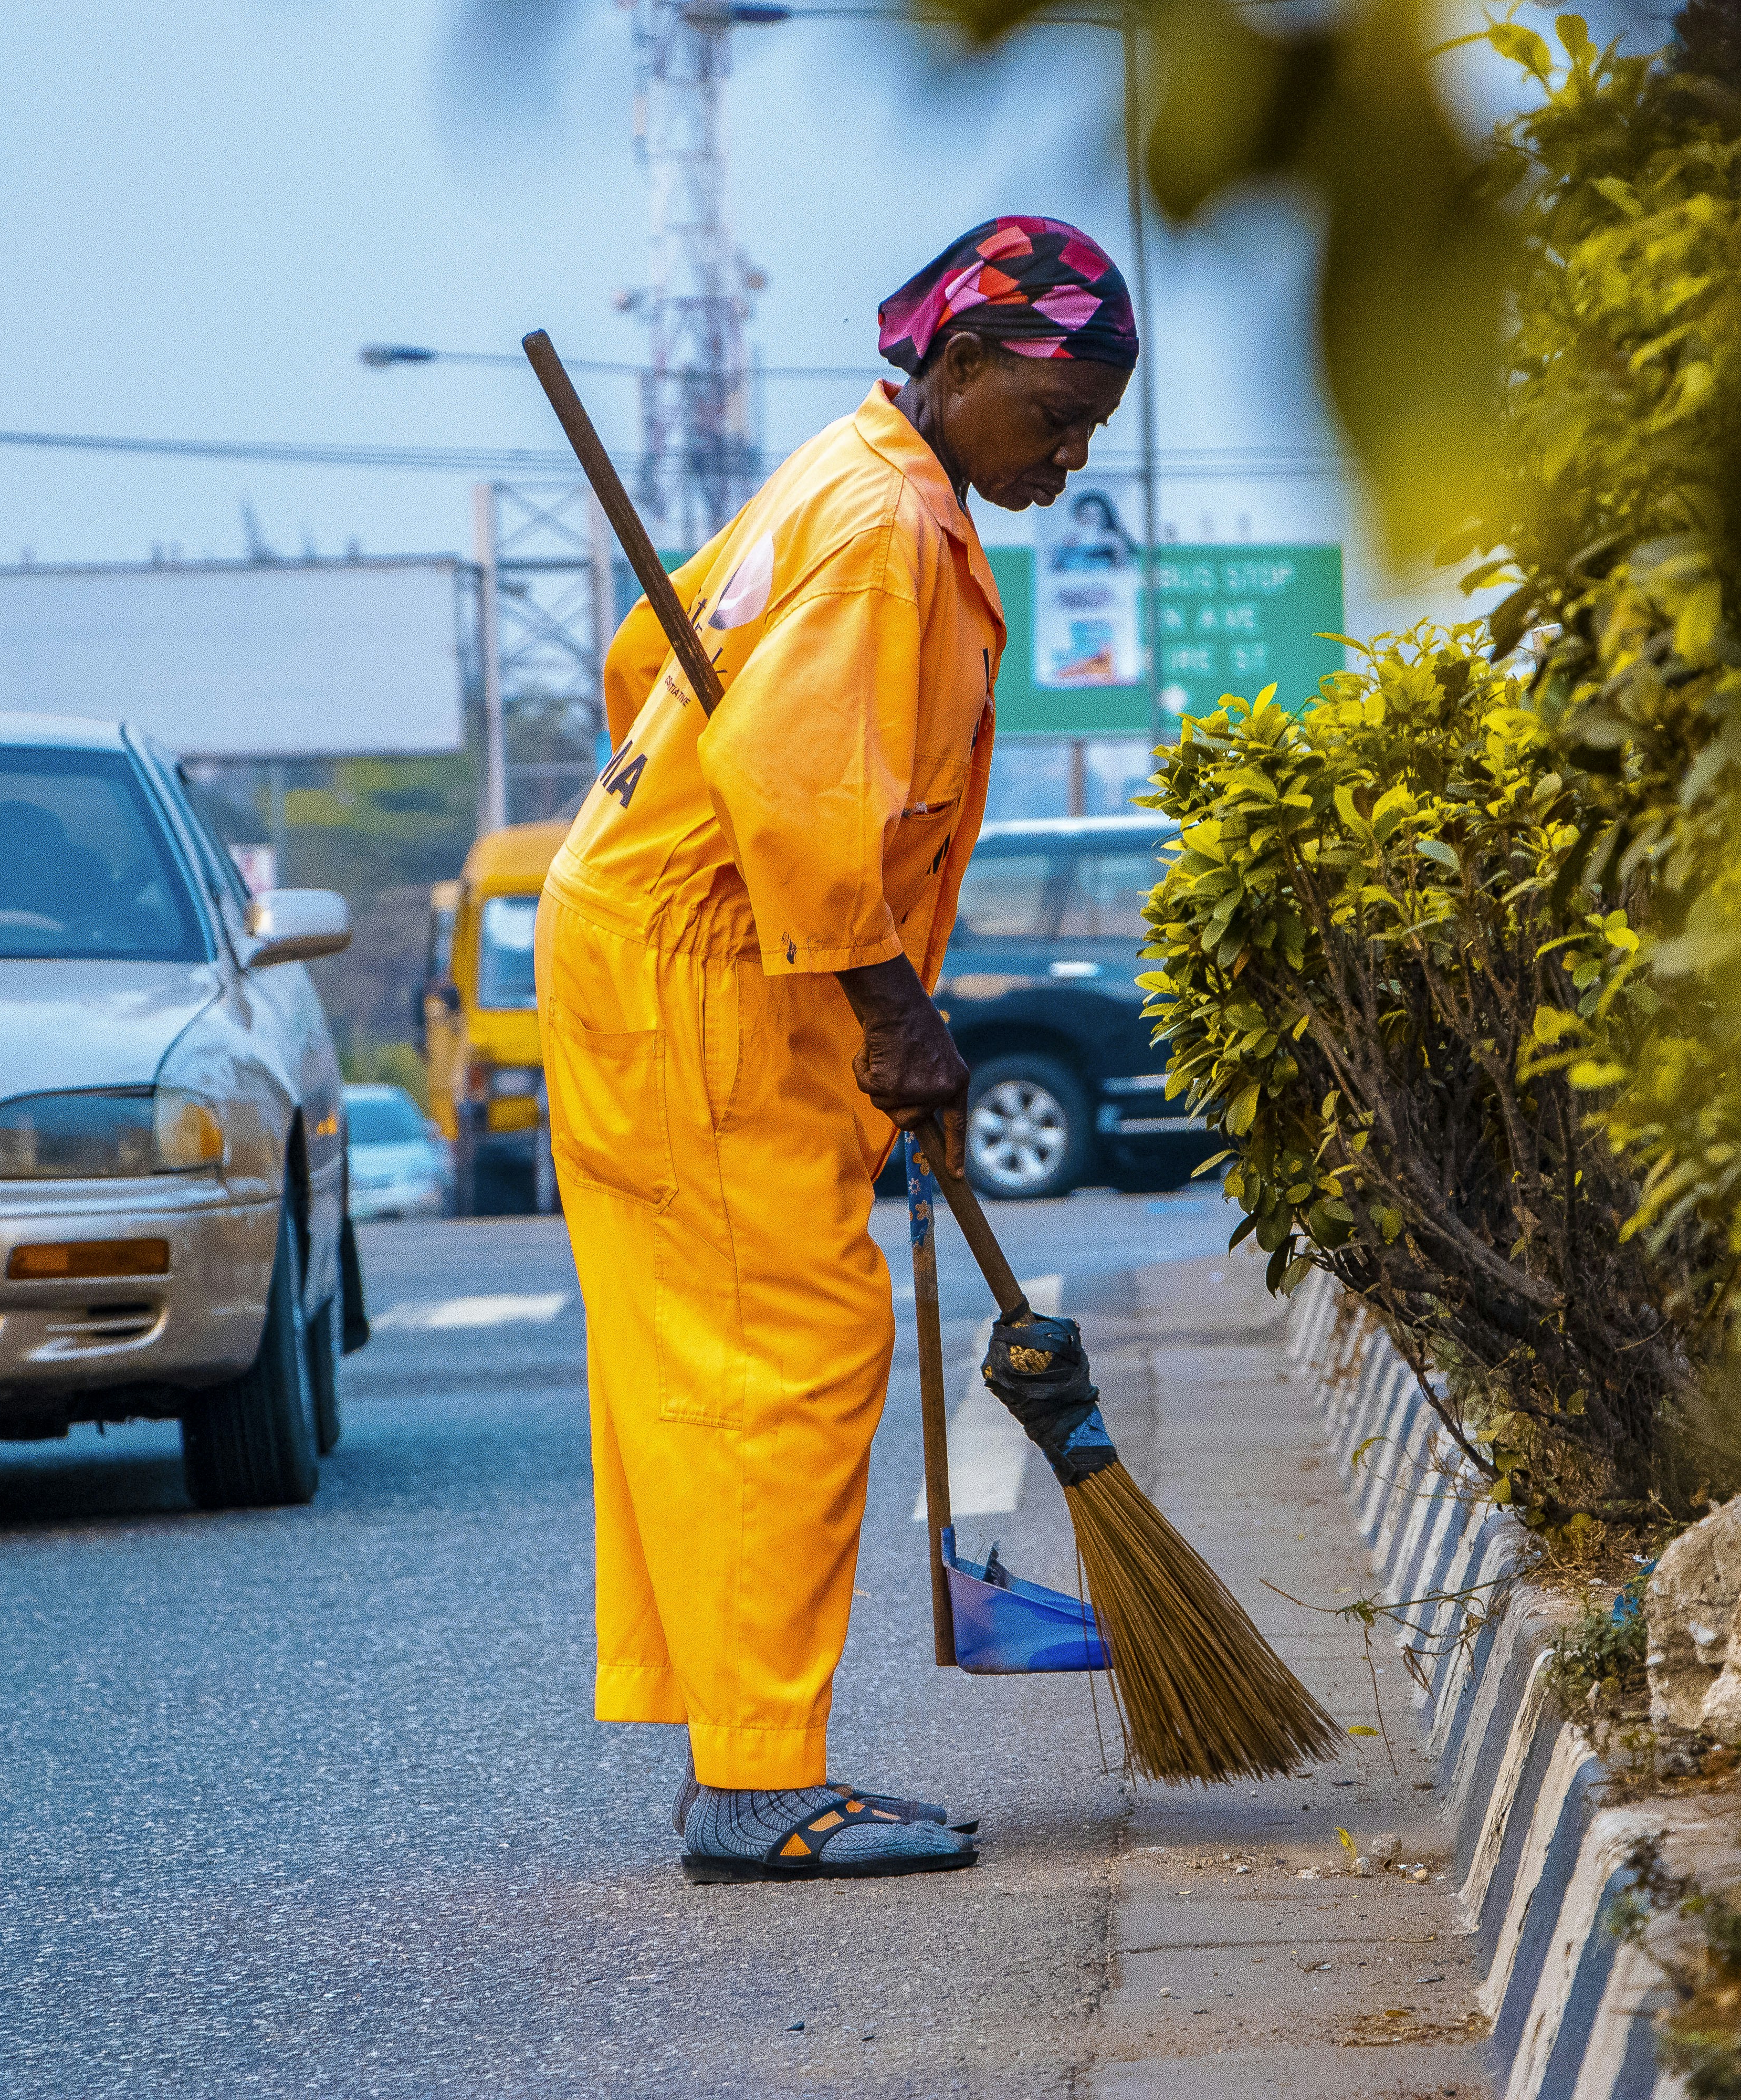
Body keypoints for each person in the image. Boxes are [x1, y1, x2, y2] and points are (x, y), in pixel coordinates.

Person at [536, 216, 1135, 1883]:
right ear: (957, 368)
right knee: (782, 1344)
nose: (1072, 456)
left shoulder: (856, 476)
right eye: (1054, 413)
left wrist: (731, 881)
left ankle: (735, 1745)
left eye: (1095, 427)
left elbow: (648, 667)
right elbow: (795, 783)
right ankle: (754, 1783)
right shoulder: (882, 521)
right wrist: (896, 1019)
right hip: (708, 971)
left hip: (675, 939)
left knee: (725, 1344)